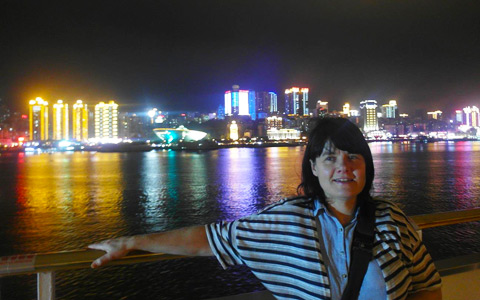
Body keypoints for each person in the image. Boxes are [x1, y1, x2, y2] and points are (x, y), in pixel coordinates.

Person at [89, 117, 442, 300]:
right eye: (330, 158)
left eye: (354, 157)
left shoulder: (393, 220)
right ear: (314, 168)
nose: (344, 168)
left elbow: (427, 285)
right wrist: (133, 240)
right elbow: (210, 239)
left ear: (366, 166)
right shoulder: (288, 220)